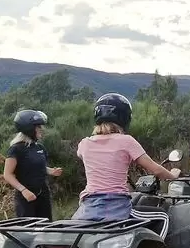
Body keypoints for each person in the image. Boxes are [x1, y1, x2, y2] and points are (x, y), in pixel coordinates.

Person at [72, 93, 181, 226]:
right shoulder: (126, 141)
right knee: (164, 217)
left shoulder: (84, 144)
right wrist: (173, 175)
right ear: (125, 118)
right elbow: (156, 170)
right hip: (117, 206)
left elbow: (83, 155)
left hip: (88, 206)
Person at [3, 109, 62, 221]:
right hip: (26, 196)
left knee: (46, 228)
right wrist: (24, 190)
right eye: (38, 127)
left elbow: (36, 167)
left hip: (43, 194)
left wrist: (51, 171)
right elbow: (7, 174)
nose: (41, 129)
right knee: (28, 231)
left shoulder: (40, 148)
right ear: (29, 129)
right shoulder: (16, 149)